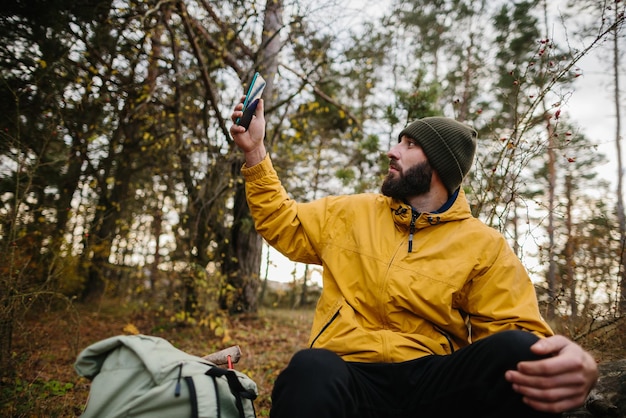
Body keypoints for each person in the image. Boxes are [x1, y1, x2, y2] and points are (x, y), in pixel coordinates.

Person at [229, 97, 598, 418]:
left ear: (438, 165)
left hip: (432, 382)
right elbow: (282, 221)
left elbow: (516, 332)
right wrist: (254, 151)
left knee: (517, 352)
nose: (393, 151)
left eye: (409, 145)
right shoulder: (352, 212)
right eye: (398, 141)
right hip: (349, 373)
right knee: (308, 368)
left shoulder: (483, 245)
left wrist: (562, 361)